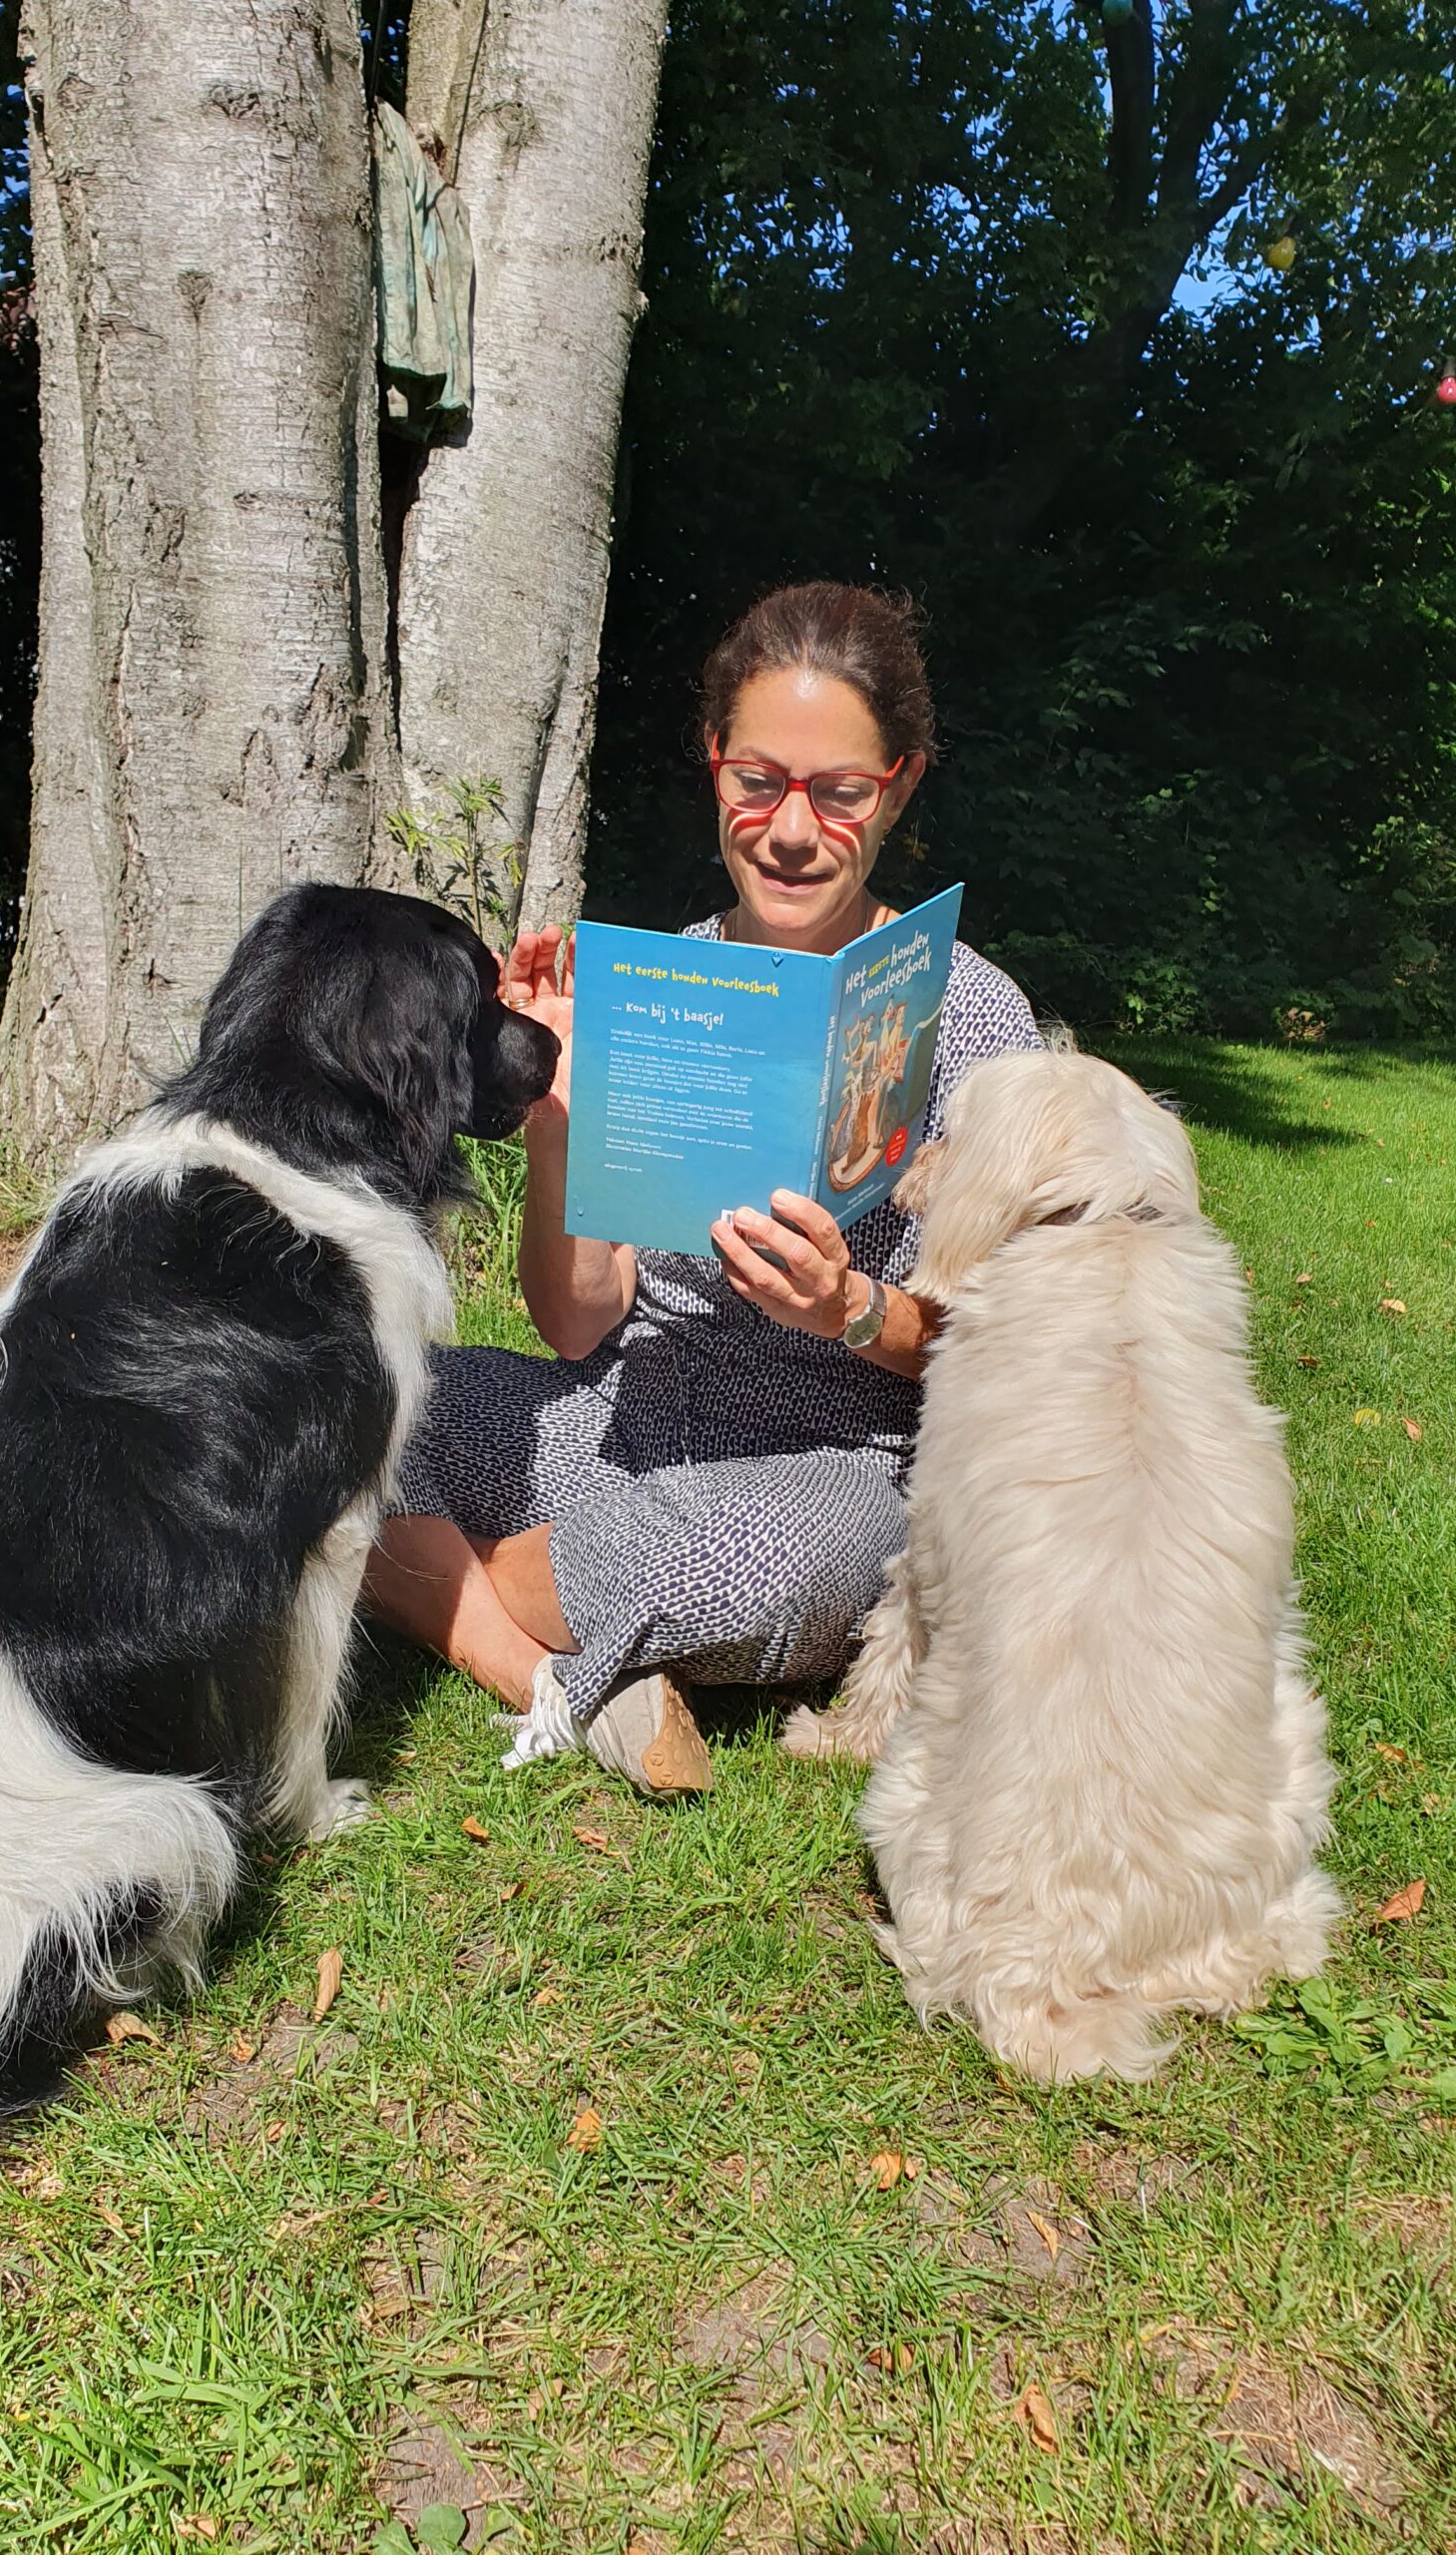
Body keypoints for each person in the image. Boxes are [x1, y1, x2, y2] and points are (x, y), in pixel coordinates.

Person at [361, 582, 1042, 1795]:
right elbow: (577, 1325)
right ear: (714, 766)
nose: (790, 830)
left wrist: (853, 1308)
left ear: (902, 785)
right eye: (757, 780)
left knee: (734, 1563)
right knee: (354, 1407)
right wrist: (561, 1128)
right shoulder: (662, 985)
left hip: (849, 1457)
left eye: (839, 791)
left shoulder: (975, 1016)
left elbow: (1030, 1348)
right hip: (634, 1412)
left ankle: (454, 1592)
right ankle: (554, 1678)